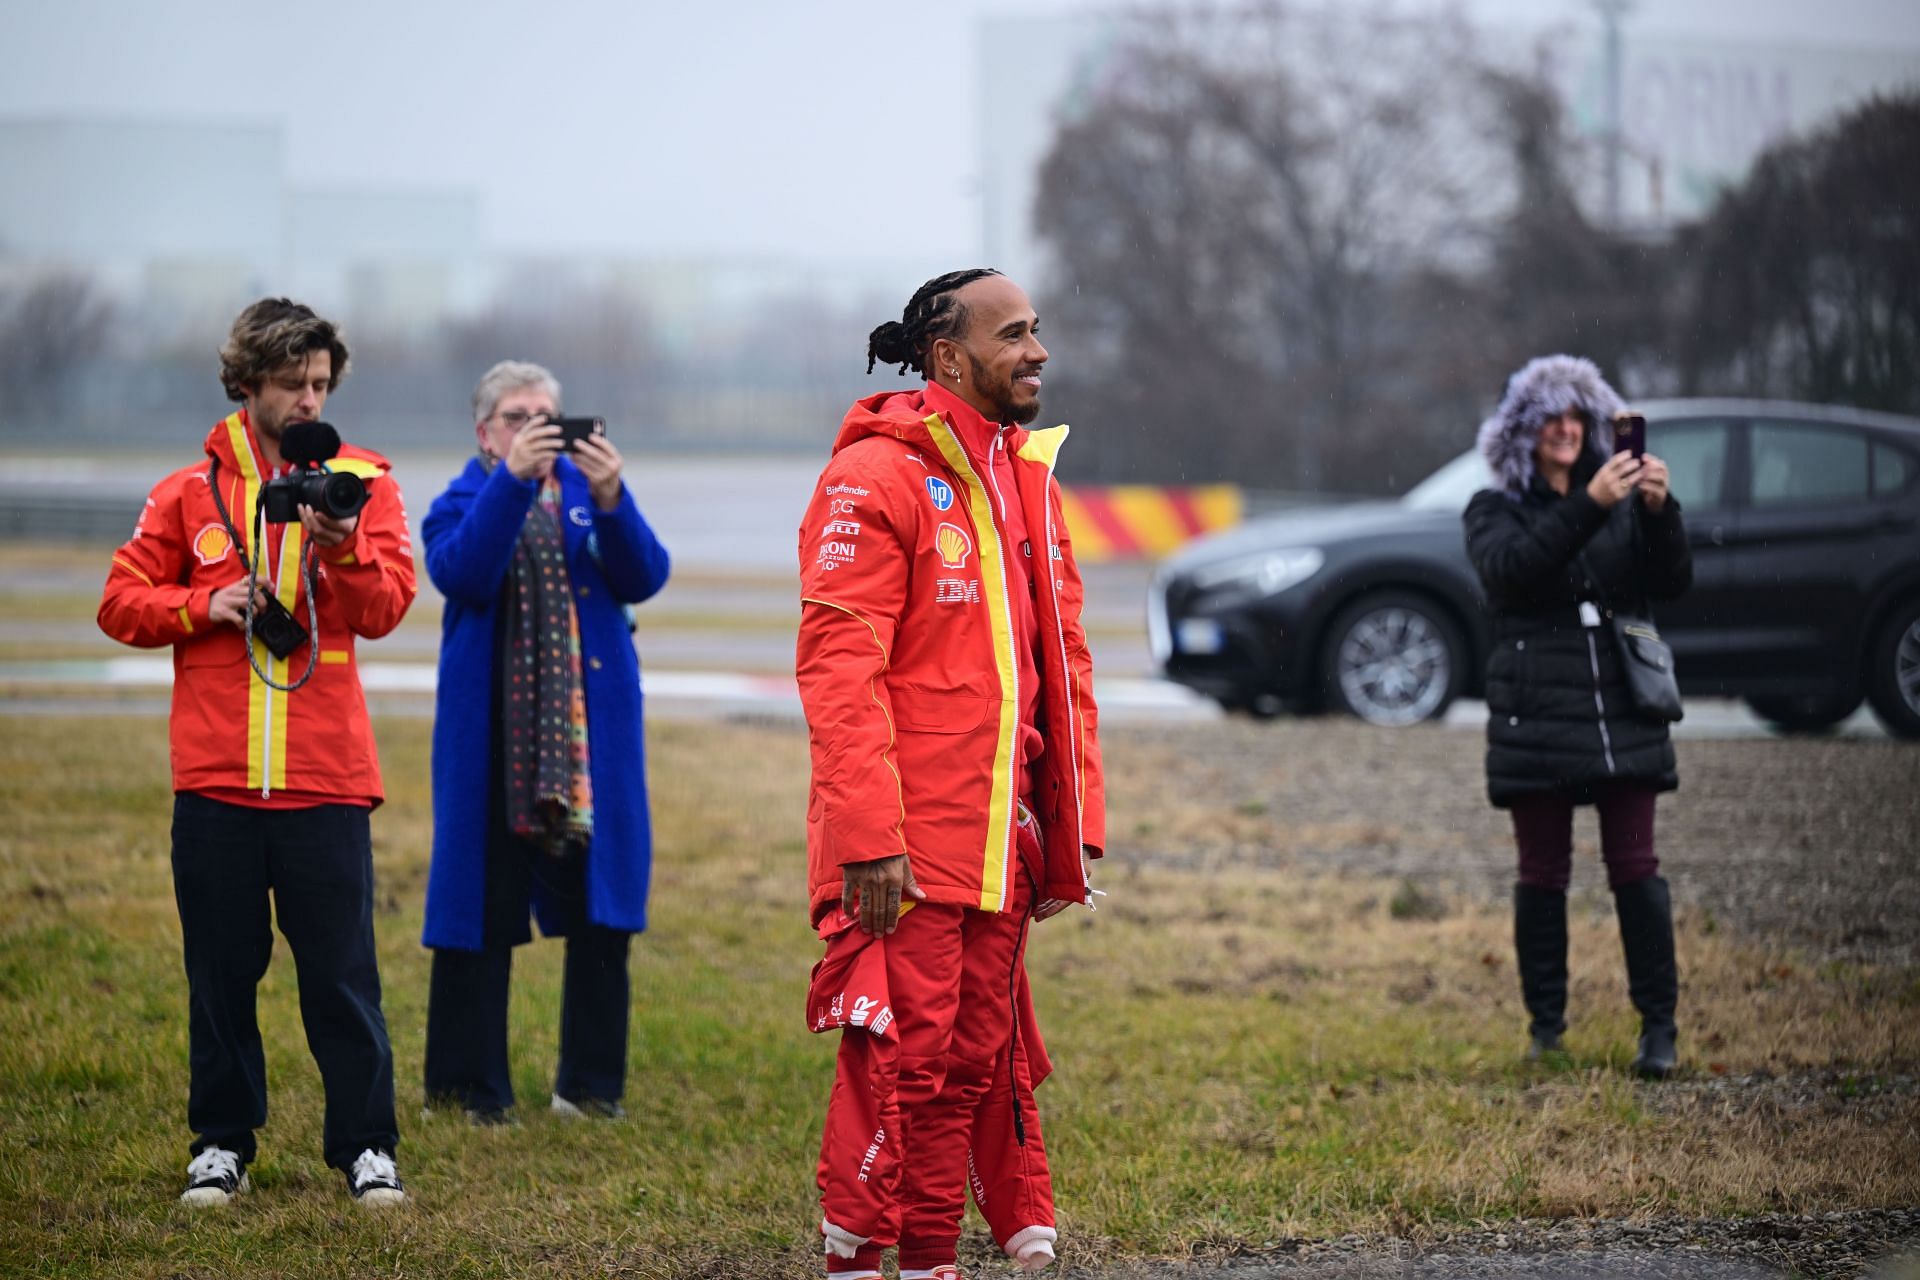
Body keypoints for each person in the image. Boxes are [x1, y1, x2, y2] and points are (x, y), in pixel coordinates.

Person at [797, 268, 1105, 1279]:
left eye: (1037, 329)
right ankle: (854, 1259)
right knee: (902, 1063)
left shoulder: (1024, 477)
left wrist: (1073, 826)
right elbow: (840, 671)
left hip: (999, 844)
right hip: (908, 847)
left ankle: (932, 1258)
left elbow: (1064, 661)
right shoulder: (873, 478)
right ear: (948, 358)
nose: (1038, 349)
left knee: (971, 1067)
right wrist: (869, 838)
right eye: (1014, 333)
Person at [97, 297, 416, 1205]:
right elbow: (118, 604)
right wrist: (204, 605)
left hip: (326, 779)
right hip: (216, 782)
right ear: (246, 385)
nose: (309, 398)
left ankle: (367, 1149)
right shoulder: (185, 493)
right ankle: (221, 1143)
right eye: (291, 383)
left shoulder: (364, 484)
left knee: (343, 979)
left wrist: (344, 549)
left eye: (321, 382)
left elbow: (388, 608)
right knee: (220, 976)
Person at [419, 361, 670, 1125]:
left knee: (601, 915)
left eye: (545, 418)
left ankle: (589, 1088)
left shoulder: (590, 504)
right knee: (479, 910)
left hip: (587, 745)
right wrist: (514, 483)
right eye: (514, 418)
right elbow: (462, 572)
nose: (532, 430)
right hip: (494, 738)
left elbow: (646, 576)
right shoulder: (460, 499)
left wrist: (613, 498)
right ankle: (468, 1089)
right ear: (483, 432)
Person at [1464, 354, 1692, 1079]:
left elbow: (1670, 583)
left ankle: (1659, 1030)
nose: (1565, 429)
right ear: (1523, 434)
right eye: (1548, 419)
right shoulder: (1492, 510)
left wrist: (1659, 513)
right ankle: (1546, 1030)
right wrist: (1590, 502)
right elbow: (1515, 570)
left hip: (1624, 710)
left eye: (1576, 417)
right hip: (1537, 717)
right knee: (1543, 874)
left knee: (1636, 869)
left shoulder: (1621, 503)